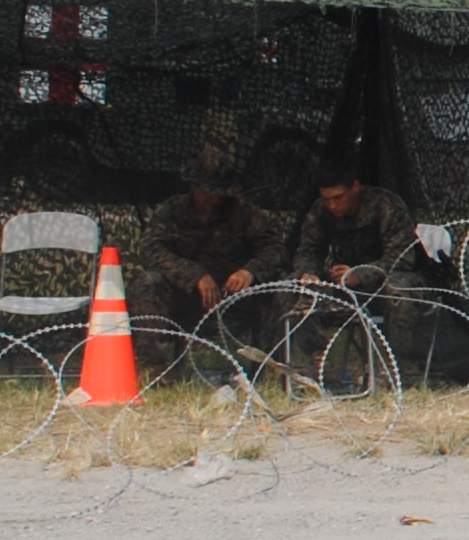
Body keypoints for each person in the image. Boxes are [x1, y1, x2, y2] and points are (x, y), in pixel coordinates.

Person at [258, 158, 433, 373]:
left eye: (338, 198)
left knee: (399, 290)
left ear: (355, 187)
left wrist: (360, 274)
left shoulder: (386, 205)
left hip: (386, 283)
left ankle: (395, 366)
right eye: (327, 199)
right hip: (345, 287)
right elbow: (309, 251)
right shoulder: (320, 211)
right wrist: (308, 273)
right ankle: (321, 360)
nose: (333, 205)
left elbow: (402, 258)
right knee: (290, 289)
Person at [128, 126, 267, 357]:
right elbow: (152, 249)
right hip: (184, 294)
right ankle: (154, 365)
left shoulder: (243, 212)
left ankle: (272, 362)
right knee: (148, 283)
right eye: (206, 192)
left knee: (279, 284)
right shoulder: (173, 211)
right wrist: (194, 275)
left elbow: (274, 249)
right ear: (193, 185)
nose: (213, 199)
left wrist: (249, 271)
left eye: (219, 193)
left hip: (231, 297)